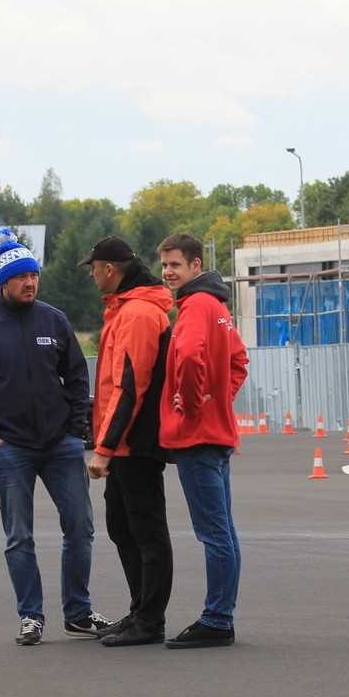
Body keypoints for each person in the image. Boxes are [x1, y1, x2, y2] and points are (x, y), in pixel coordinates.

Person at [0, 228, 110, 646]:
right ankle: (31, 616)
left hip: (60, 444)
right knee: (19, 537)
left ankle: (78, 612)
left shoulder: (53, 319)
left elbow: (77, 376)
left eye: (34, 275)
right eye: (21, 277)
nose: (30, 283)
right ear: (4, 281)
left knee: (80, 528)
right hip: (10, 448)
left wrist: (75, 428)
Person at [81, 235, 174, 647]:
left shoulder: (137, 313)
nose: (92, 275)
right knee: (122, 527)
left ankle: (150, 620)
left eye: (93, 268)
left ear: (109, 269)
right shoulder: (125, 308)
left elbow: (130, 386)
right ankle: (140, 611)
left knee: (146, 531)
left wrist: (104, 447)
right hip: (123, 442)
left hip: (135, 442)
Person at [157, 233, 249, 649]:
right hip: (217, 434)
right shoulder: (218, 306)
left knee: (214, 533)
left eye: (175, 264)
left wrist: (193, 404)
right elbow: (238, 360)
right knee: (224, 530)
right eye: (164, 265)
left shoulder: (194, 305)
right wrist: (218, 398)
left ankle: (217, 618)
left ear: (196, 265)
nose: (168, 272)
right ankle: (220, 615)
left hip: (196, 437)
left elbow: (191, 356)